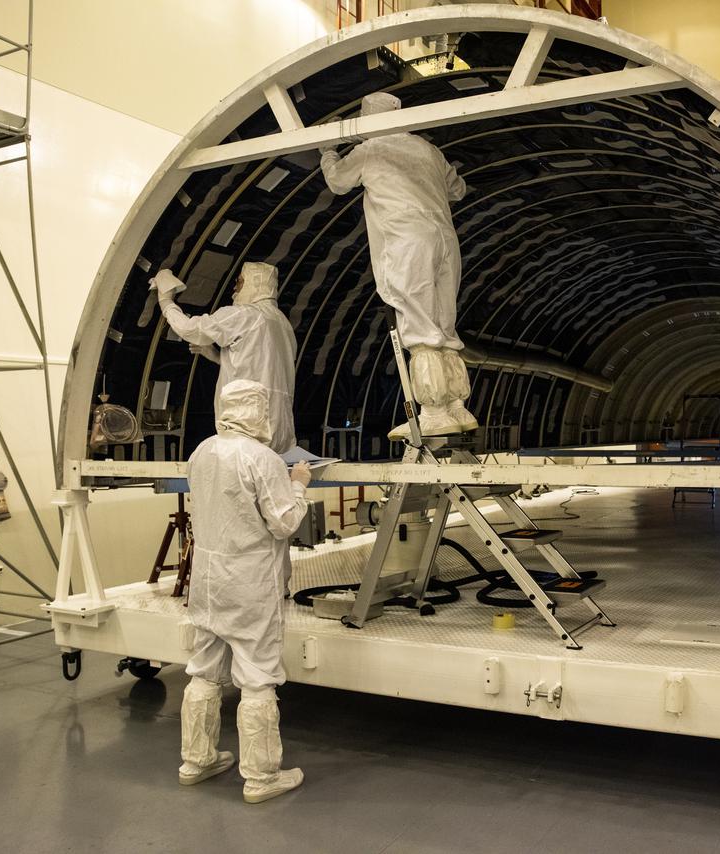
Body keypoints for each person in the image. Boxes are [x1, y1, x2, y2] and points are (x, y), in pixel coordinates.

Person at [178, 379, 313, 804]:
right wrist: (299, 483)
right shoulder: (262, 458)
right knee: (257, 677)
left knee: (203, 669)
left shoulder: (200, 452)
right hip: (249, 582)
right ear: (258, 409)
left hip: (207, 580)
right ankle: (261, 776)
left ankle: (196, 760)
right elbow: (284, 523)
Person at [319, 91, 477, 439]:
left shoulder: (371, 149)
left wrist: (327, 151)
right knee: (444, 326)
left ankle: (434, 412)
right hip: (445, 241)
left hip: (407, 239)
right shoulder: (427, 150)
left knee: (419, 327)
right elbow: (459, 189)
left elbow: (338, 181)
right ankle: (457, 408)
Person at [150, 261, 297, 454]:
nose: (234, 287)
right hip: (281, 432)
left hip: (248, 429)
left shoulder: (245, 315)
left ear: (255, 283)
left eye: (240, 281)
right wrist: (217, 357)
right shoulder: (283, 325)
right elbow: (262, 368)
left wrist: (167, 302)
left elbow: (191, 329)